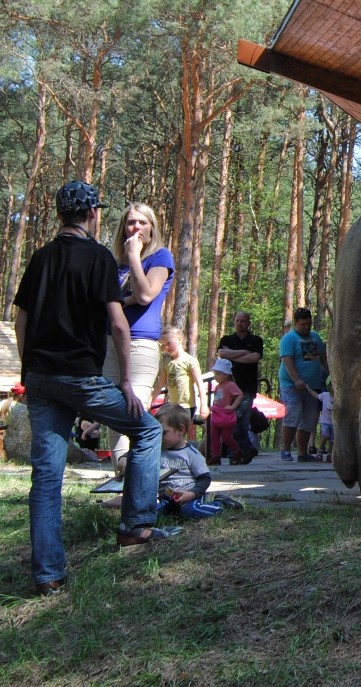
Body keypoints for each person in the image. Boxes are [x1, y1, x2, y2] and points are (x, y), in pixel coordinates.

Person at [14, 180, 167, 595]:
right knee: (148, 430)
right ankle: (136, 526)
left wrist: (30, 370)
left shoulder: (40, 257)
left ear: (61, 214)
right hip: (80, 377)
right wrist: (123, 382)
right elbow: (118, 323)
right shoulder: (98, 258)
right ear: (93, 214)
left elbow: (22, 320)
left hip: (41, 378)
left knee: (46, 476)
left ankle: (48, 574)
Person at [103, 202, 174, 476]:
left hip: (141, 344)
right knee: (112, 413)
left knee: (135, 410)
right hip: (110, 344)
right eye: (131, 222)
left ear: (151, 227)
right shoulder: (113, 262)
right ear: (123, 228)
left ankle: (141, 480)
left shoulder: (160, 257)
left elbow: (145, 295)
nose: (136, 227)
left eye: (142, 222)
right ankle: (126, 480)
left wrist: (134, 256)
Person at [155, 403, 229, 518]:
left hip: (190, 496)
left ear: (180, 430)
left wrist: (192, 494)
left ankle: (220, 504)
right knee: (153, 514)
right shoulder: (158, 451)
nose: (158, 437)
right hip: (167, 498)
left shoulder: (192, 454)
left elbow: (205, 479)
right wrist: (124, 458)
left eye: (163, 433)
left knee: (190, 511)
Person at [278, 308, 329, 462]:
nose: (306, 327)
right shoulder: (289, 339)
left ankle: (302, 453)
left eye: (308, 323)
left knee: (311, 417)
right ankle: (285, 449)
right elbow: (287, 361)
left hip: (312, 386)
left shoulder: (315, 337)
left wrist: (330, 375)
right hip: (291, 384)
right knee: (293, 413)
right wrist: (296, 379)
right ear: (296, 323)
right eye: (303, 324)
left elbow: (323, 358)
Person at [218, 311, 263, 463]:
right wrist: (244, 353)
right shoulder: (227, 339)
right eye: (237, 320)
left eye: (243, 321)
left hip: (247, 387)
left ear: (248, 323)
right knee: (231, 421)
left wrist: (233, 356)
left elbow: (255, 358)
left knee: (241, 421)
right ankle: (241, 451)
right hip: (229, 387)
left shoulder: (256, 340)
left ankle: (238, 453)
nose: (240, 323)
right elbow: (222, 354)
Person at [157, 325, 209, 424]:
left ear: (179, 339)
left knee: (178, 433)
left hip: (186, 406)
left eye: (169, 343)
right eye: (163, 345)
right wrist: (150, 400)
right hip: (172, 406)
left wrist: (204, 405)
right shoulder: (167, 362)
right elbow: (160, 384)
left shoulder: (190, 361)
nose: (166, 347)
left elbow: (200, 385)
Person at [208, 358, 244, 466]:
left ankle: (237, 452)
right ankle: (215, 456)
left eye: (218, 374)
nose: (215, 376)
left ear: (226, 375)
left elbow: (240, 395)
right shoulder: (218, 386)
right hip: (217, 414)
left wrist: (233, 406)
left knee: (226, 437)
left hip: (226, 415)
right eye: (215, 374)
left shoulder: (230, 385)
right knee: (214, 436)